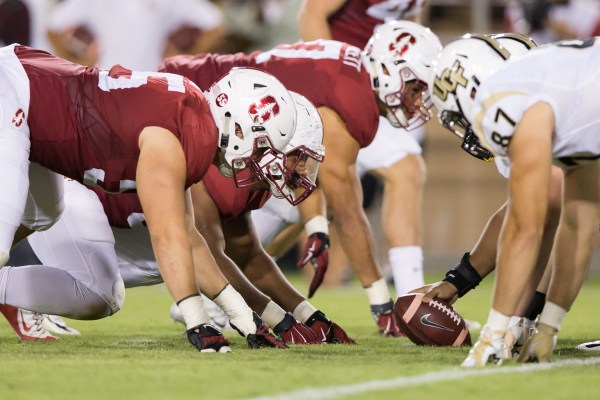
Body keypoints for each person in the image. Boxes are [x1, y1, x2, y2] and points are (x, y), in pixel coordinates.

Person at [0, 43, 297, 351]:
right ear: (236, 127)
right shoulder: (174, 135)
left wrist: (245, 317)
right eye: (262, 146)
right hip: (15, 91)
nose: (261, 160)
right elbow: (166, 237)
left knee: (42, 213)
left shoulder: (192, 120)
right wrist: (197, 321)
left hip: (31, 97)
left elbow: (189, 238)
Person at [159, 20, 441, 337]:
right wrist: (381, 307)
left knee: (287, 204)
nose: (417, 100)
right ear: (391, 72)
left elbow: (306, 188)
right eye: (415, 88)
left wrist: (316, 231)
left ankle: (216, 289)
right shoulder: (351, 97)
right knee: (269, 212)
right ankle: (211, 293)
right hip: (198, 103)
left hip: (222, 108)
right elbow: (347, 208)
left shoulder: (349, 72)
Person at [429, 34, 600, 366]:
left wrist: (495, 330)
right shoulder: (566, 94)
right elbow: (579, 218)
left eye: (459, 115)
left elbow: (526, 226)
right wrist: (547, 325)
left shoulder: (505, 99)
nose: (466, 127)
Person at [292, 0, 430, 303]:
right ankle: (218, 294)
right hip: (341, 93)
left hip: (377, 91)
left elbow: (409, 30)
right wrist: (335, 82)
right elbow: (311, 15)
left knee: (407, 169)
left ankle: (412, 300)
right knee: (291, 210)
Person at [46, 0, 225, 69]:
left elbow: (215, 25)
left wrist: (184, 57)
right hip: (104, 85)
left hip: (155, 84)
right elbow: (53, 28)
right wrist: (77, 62)